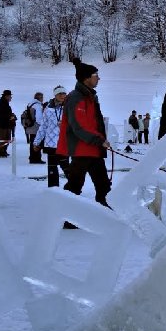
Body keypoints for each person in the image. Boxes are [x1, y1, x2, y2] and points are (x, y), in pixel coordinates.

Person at [58, 60, 112, 220]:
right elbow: (79, 126)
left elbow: (92, 123)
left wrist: (100, 140)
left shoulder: (89, 97)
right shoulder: (76, 98)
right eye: (96, 75)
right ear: (85, 78)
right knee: (74, 186)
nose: (98, 79)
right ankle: (67, 217)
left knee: (103, 185)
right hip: (82, 149)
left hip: (93, 149)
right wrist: (98, 140)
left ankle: (107, 215)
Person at [33, 85, 70, 188]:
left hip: (63, 142)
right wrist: (37, 142)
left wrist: (65, 125)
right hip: (50, 143)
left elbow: (76, 124)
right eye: (60, 94)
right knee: (52, 168)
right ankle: (53, 189)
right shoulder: (48, 109)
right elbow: (43, 126)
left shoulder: (69, 107)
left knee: (66, 167)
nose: (63, 96)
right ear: (55, 95)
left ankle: (74, 187)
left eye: (64, 93)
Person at [24, 92, 45, 164]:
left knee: (32, 143)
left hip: (30, 127)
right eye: (42, 97)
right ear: (40, 98)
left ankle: (32, 157)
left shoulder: (30, 104)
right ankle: (36, 159)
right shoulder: (38, 106)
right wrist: (43, 124)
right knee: (37, 143)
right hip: (36, 128)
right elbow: (39, 118)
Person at [0, 89, 16, 157]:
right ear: (6, 96)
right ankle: (0, 152)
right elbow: (0, 115)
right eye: (10, 96)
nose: (10, 98)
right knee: (2, 139)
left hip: (7, 125)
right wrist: (9, 117)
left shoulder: (5, 103)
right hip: (2, 125)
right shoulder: (0, 103)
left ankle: (4, 151)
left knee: (7, 139)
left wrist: (12, 116)